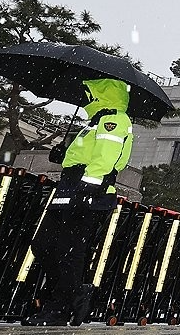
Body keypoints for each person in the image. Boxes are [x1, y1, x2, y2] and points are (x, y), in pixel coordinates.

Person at [27, 78, 134, 326]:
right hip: (69, 187)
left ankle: (60, 306)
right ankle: (73, 293)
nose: (87, 98)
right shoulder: (93, 123)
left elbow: (105, 158)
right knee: (43, 245)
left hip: (87, 193)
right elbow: (85, 154)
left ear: (102, 95)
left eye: (91, 94)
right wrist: (63, 154)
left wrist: (87, 189)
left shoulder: (115, 120)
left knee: (68, 251)